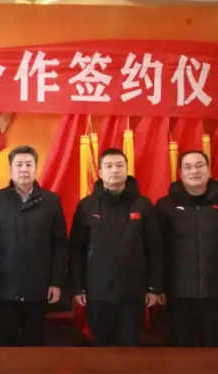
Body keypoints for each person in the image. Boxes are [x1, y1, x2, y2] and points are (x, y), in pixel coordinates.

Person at [69, 148, 162, 347]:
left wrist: (153, 287)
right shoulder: (87, 206)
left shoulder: (143, 205)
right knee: (101, 348)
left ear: (127, 170)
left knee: (129, 348)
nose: (114, 170)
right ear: (100, 172)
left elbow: (154, 249)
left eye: (119, 165)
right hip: (97, 292)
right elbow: (76, 249)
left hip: (133, 292)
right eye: (109, 166)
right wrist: (78, 287)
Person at [155, 150, 218, 347]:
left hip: (217, 291)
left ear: (209, 170)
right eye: (188, 167)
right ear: (180, 173)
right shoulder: (165, 205)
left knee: (214, 349)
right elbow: (157, 250)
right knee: (181, 348)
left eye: (199, 166)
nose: (194, 171)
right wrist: (159, 286)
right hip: (178, 292)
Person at [0, 145, 67, 346]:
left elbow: (60, 244)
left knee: (34, 348)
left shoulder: (51, 201)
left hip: (38, 288)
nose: (24, 169)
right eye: (19, 164)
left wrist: (56, 282)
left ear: (36, 168)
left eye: (29, 164)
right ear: (10, 168)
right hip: (4, 288)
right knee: (5, 348)